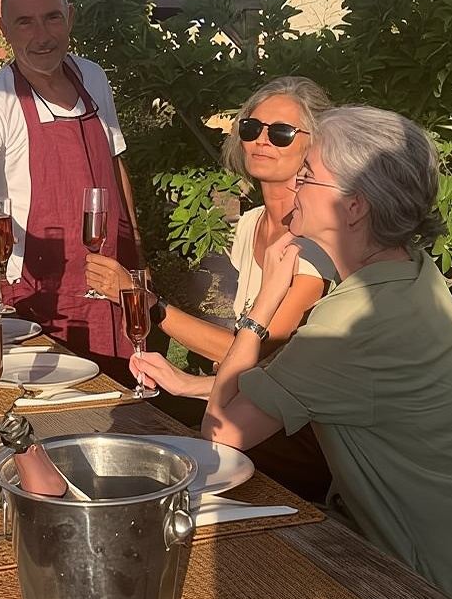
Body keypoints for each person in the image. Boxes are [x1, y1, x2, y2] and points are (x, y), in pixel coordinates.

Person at [138, 106, 452, 599]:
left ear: (354, 207)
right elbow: (317, 385)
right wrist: (192, 383)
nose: (294, 185)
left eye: (307, 175)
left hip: (439, 572)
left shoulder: (354, 322)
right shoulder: (408, 271)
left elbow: (222, 437)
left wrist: (263, 308)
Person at [85, 76, 335, 500]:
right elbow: (245, 360)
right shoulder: (252, 224)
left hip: (298, 433)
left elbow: (261, 348)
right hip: (243, 403)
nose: (261, 141)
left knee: (154, 459)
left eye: (281, 133)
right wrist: (186, 382)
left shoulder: (314, 242)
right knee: (122, 431)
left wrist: (149, 305)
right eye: (252, 128)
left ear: (315, 144)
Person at [0, 0, 141, 380]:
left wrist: (137, 250)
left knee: (126, 400)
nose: (42, 35)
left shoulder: (93, 77)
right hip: (42, 297)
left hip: (112, 280)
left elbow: (116, 163)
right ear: (4, 30)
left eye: (52, 18)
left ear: (69, 17)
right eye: (25, 22)